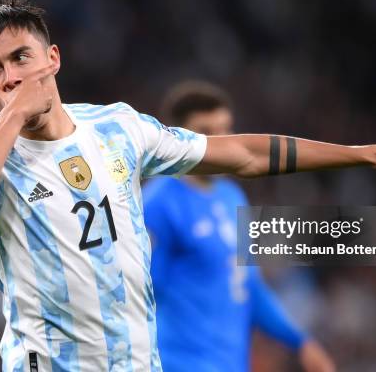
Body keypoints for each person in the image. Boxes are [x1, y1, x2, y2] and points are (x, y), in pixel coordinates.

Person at [0, 0, 376, 372]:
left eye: (21, 57)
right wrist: (13, 116)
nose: (11, 76)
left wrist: (362, 155)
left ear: (53, 59)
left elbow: (243, 154)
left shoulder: (118, 129)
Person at [143, 81, 335, 372]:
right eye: (207, 132)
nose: (221, 142)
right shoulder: (158, 203)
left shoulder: (232, 196)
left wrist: (300, 341)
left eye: (226, 129)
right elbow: (141, 294)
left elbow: (248, 286)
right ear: (177, 137)